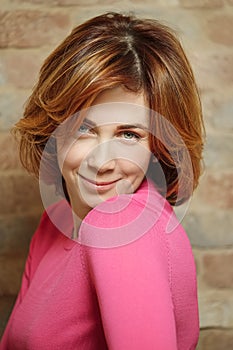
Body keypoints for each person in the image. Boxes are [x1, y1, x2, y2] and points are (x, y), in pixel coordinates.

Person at [0, 12, 204, 350]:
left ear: (158, 147)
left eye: (128, 134)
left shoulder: (121, 223)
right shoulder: (57, 222)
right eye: (83, 129)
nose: (102, 162)